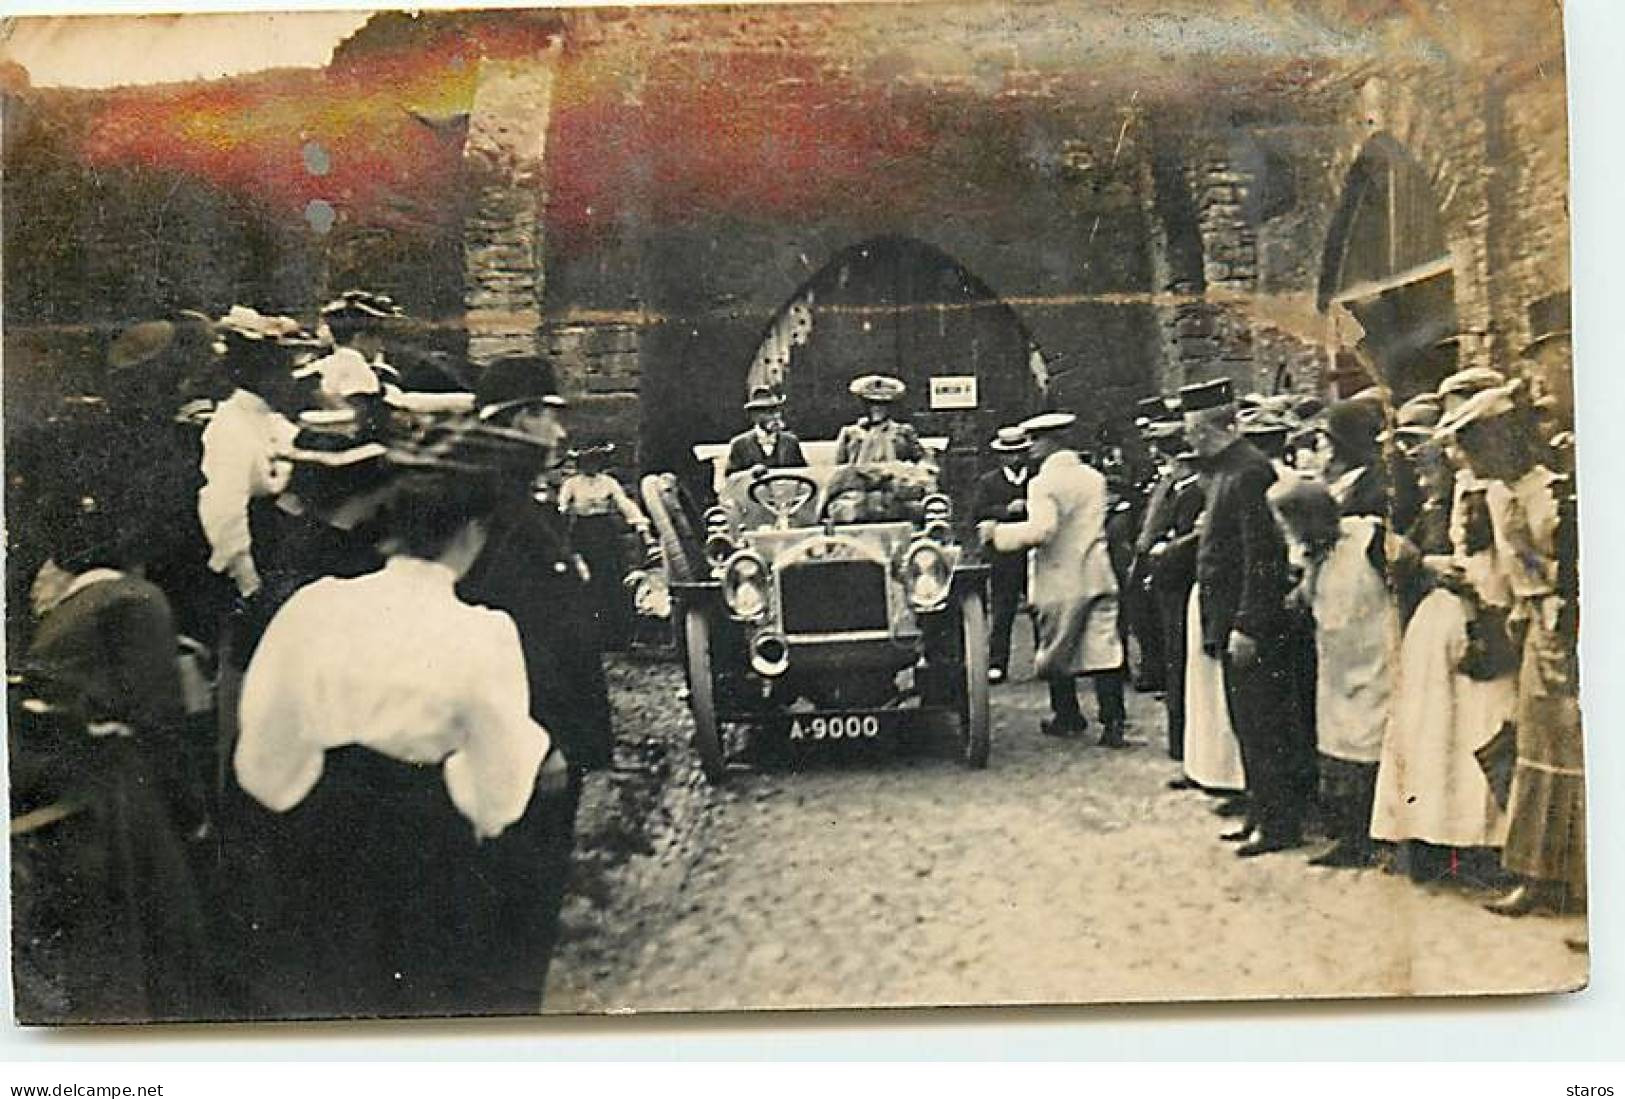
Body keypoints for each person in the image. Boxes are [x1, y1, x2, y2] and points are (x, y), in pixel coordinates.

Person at [234, 464, 565, 1019]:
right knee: (417, 985)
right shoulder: (481, 630)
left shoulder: (317, 605)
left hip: (320, 813)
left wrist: (286, 789)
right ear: (471, 535)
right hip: (417, 827)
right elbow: (501, 765)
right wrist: (486, 812)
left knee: (324, 978)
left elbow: (268, 717)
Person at [11, 492, 217, 1022]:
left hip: (65, 810)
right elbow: (161, 725)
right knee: (154, 960)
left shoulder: (69, 612)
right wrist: (193, 811)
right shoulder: (137, 601)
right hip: (118, 805)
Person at [458, 353, 615, 1006]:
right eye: (548, 419)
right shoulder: (494, 514)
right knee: (516, 906)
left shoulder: (522, 505)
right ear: (519, 422)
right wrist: (540, 739)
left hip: (546, 740)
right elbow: (507, 637)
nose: (559, 434)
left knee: (533, 905)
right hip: (527, 746)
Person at [1435, 386, 1584, 918]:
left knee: (1575, 754)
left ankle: (1578, 880)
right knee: (1535, 753)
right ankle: (1538, 875)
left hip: (1570, 629)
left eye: (1482, 447)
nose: (1476, 461)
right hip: (1532, 632)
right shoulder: (1498, 496)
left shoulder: (1557, 491)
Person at [1181, 378, 1310, 856]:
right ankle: (1262, 810)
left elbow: (1262, 557)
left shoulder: (1249, 473)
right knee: (1246, 723)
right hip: (1229, 619)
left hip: (1249, 624)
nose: (1189, 440)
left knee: (1264, 723)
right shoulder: (1226, 473)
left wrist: (1248, 623)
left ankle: (1280, 824)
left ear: (1208, 428)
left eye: (1192, 431)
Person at [1269, 475, 1395, 868]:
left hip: (1378, 656)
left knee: (1372, 743)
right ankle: (1349, 836)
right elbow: (1305, 601)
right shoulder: (1313, 555)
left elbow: (1405, 582)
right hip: (1338, 663)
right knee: (1339, 745)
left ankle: (1377, 837)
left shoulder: (1368, 538)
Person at [980, 412, 1126, 746]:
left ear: (1052, 442)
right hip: (1096, 570)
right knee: (1105, 649)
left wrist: (997, 533)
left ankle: (1068, 715)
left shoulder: (1042, 483)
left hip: (1060, 578)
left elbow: (1043, 530)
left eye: (1036, 440)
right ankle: (1113, 722)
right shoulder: (1093, 478)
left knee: (1057, 649)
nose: (1030, 447)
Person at [559, 440, 655, 651]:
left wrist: (642, 528)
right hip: (582, 535)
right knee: (587, 584)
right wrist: (560, 531)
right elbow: (562, 509)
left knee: (612, 581)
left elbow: (625, 505)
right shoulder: (572, 484)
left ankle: (617, 637)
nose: (590, 465)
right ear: (580, 463)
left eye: (595, 460)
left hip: (605, 534)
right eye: (586, 461)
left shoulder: (608, 482)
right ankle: (590, 638)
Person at [972, 425, 1034, 684]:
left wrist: (1028, 507)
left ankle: (1044, 658)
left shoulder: (1036, 478)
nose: (1015, 458)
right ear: (1001, 456)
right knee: (1003, 609)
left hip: (1031, 550)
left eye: (1019, 453)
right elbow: (978, 512)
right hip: (1003, 554)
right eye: (1009, 454)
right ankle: (998, 663)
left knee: (1038, 605)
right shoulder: (989, 482)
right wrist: (1006, 510)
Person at [296, 289, 404, 411]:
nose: (381, 346)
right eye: (378, 337)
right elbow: (364, 413)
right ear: (360, 337)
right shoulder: (356, 366)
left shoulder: (325, 364)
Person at [834, 374, 926, 464]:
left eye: (883, 404)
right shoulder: (850, 433)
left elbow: (922, 461)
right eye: (872, 403)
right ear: (864, 405)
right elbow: (839, 469)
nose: (877, 408)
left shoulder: (904, 432)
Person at [725, 385, 807, 475]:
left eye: (777, 411)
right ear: (754, 416)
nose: (775, 417)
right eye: (769, 412)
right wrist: (750, 473)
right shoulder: (740, 444)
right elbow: (731, 480)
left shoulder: (790, 441)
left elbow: (803, 473)